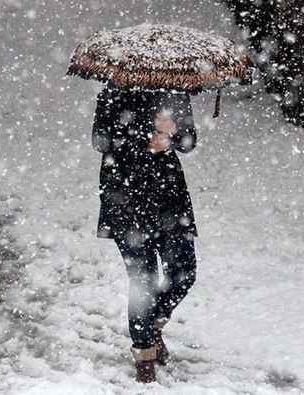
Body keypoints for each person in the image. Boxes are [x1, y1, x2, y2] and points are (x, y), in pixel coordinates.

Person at [91, 83, 198, 383]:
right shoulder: (114, 93)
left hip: (169, 198)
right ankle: (144, 355)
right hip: (125, 197)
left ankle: (150, 325)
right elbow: (100, 140)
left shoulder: (175, 90)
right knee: (143, 280)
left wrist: (172, 133)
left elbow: (189, 142)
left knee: (184, 271)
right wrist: (145, 136)